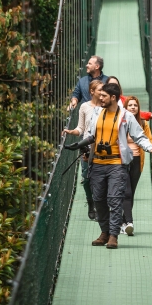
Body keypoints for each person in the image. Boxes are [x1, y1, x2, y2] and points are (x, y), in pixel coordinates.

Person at [86, 83, 152, 249]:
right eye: (100, 95)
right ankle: (104, 232)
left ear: (113, 98)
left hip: (117, 163)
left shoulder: (126, 116)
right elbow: (89, 134)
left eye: (103, 96)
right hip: (97, 163)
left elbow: (139, 136)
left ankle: (113, 235)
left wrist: (151, 148)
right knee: (98, 199)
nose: (100, 98)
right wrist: (83, 147)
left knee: (114, 199)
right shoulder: (97, 112)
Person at [121, 96, 152, 236]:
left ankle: (124, 223)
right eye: (130, 105)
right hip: (122, 160)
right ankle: (129, 222)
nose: (133, 107)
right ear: (125, 107)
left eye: (135, 105)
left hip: (137, 160)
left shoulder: (143, 123)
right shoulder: (121, 122)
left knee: (131, 192)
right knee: (126, 192)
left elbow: (147, 141)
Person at [62, 80, 103, 220]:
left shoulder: (107, 107)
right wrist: (70, 131)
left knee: (99, 180)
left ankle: (98, 206)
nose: (103, 92)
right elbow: (80, 128)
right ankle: (90, 202)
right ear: (92, 92)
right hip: (86, 147)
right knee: (86, 180)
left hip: (101, 149)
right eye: (100, 90)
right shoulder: (84, 106)